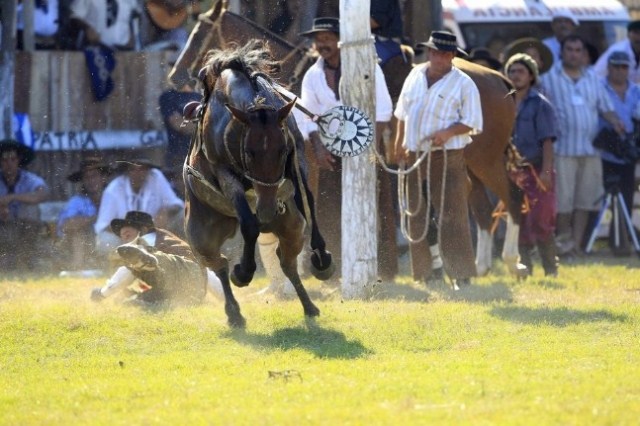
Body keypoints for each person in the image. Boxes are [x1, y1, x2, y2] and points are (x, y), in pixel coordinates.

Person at [298, 17, 396, 280]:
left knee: (374, 207)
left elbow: (384, 109)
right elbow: (307, 115)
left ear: (341, 40)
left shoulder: (367, 68)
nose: (322, 44)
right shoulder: (312, 75)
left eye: (328, 38)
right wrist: (318, 149)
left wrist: (368, 149)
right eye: (318, 40)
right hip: (331, 152)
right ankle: (335, 269)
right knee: (329, 209)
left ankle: (380, 270)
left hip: (368, 150)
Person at [393, 30, 483, 289]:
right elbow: (402, 112)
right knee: (416, 213)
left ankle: (461, 274)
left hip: (448, 156)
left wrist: (448, 132)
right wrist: (399, 142)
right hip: (414, 154)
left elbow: (473, 121)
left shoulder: (464, 83)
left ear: (452, 55)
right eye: (434, 51)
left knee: (452, 214)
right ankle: (427, 271)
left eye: (443, 53)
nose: (437, 57)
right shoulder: (415, 75)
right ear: (429, 52)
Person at [540, 35, 625, 259]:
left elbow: (605, 108)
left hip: (590, 150)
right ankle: (561, 245)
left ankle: (575, 246)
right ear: (562, 52)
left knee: (585, 201)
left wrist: (616, 121)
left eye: (578, 50)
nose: (574, 54)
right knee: (563, 203)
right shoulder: (548, 78)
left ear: (583, 54)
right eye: (570, 49)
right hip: (562, 151)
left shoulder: (593, 79)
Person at [90, 211, 222, 305]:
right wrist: (227, 298)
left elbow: (127, 270)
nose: (123, 233)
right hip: (190, 293)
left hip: (177, 281)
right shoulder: (170, 240)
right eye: (122, 233)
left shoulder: (147, 240)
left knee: (135, 263)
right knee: (131, 301)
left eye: (128, 230)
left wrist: (102, 294)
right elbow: (206, 274)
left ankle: (106, 294)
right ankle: (143, 298)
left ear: (143, 229)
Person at [505, 53, 559, 276]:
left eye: (520, 71)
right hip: (513, 171)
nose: (515, 76)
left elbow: (547, 140)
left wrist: (546, 172)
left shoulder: (540, 104)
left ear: (531, 76)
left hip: (538, 170)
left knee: (541, 218)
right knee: (519, 220)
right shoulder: (503, 101)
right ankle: (524, 269)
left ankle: (551, 269)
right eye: (511, 71)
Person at [596, 51, 640, 255]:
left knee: (626, 198)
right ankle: (591, 240)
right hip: (604, 151)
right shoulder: (599, 87)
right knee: (600, 200)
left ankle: (621, 242)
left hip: (628, 151)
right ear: (609, 67)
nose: (620, 71)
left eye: (624, 67)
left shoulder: (636, 90)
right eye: (616, 67)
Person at [94, 156, 184, 255]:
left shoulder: (155, 177)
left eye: (142, 169)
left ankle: (188, 257)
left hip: (155, 233)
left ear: (148, 170)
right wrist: (128, 230)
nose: (138, 174)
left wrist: (166, 210)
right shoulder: (113, 189)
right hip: (124, 238)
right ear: (127, 171)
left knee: (183, 215)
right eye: (133, 169)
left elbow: (177, 205)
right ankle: (117, 265)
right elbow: (103, 226)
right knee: (105, 240)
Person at [0, 139, 49, 271]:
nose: (9, 164)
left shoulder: (29, 179)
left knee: (31, 208)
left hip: (25, 231)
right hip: (3, 231)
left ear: (19, 160)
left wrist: (12, 198)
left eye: (12, 159)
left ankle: (27, 256)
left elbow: (42, 194)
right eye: (4, 160)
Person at [57, 156, 111, 270]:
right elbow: (66, 226)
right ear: (82, 181)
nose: (91, 181)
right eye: (86, 177)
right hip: (81, 244)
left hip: (109, 240)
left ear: (103, 178)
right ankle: (78, 267)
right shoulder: (77, 201)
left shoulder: (113, 198)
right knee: (78, 233)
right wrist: (95, 218)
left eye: (94, 176)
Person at [159, 84, 200, 173]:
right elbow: (179, 125)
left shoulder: (200, 95)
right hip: (177, 156)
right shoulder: (168, 96)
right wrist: (200, 124)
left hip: (200, 158)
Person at [66, 0, 140, 49]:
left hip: (123, 49)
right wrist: (87, 28)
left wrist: (133, 35)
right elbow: (74, 17)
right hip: (95, 49)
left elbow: (134, 16)